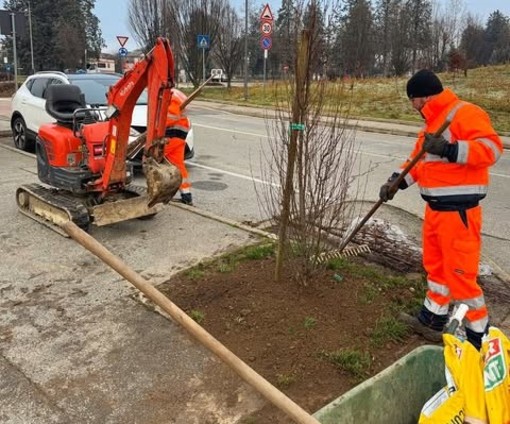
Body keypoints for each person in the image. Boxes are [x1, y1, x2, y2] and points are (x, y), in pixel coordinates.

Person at [379, 69, 503, 349]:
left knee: (462, 278)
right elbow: (418, 163)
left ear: (424, 97)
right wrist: (395, 183)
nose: (413, 108)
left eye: (413, 101)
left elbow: (491, 149)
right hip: (435, 212)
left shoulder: (464, 113)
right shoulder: (430, 126)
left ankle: (478, 339)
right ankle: (432, 320)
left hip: (460, 214)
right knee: (436, 269)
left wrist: (450, 149)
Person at [164, 88, 193, 205]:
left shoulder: (170, 97)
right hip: (179, 135)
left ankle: (160, 193)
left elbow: (169, 118)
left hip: (171, 135)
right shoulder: (176, 94)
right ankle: (186, 195)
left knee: (151, 160)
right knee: (178, 165)